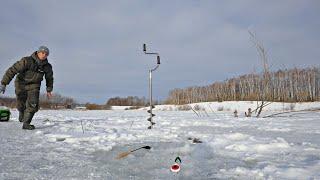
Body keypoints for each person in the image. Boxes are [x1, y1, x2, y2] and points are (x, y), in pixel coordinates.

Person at [0, 46, 54, 130]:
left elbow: (49, 78)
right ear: (38, 52)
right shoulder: (26, 61)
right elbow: (12, 70)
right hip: (21, 83)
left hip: (34, 85)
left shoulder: (47, 67)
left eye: (46, 54)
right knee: (21, 103)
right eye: (42, 53)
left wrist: (49, 89)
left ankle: (26, 123)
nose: (44, 55)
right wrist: (4, 83)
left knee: (33, 103)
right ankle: (21, 112)